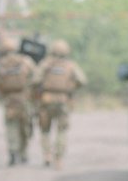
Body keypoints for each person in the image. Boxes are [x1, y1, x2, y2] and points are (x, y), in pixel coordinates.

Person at [32, 39, 87, 169]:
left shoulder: (45, 64)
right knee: (61, 130)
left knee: (45, 130)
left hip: (46, 100)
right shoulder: (71, 66)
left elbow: (35, 80)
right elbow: (82, 80)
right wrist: (71, 87)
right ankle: (59, 158)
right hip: (64, 101)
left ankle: (47, 155)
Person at [0, 35, 37, 166]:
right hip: (25, 99)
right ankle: (23, 153)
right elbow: (35, 78)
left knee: (11, 126)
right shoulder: (26, 61)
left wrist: (1, 94)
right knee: (25, 127)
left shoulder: (0, 64)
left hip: (9, 100)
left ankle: (13, 151)